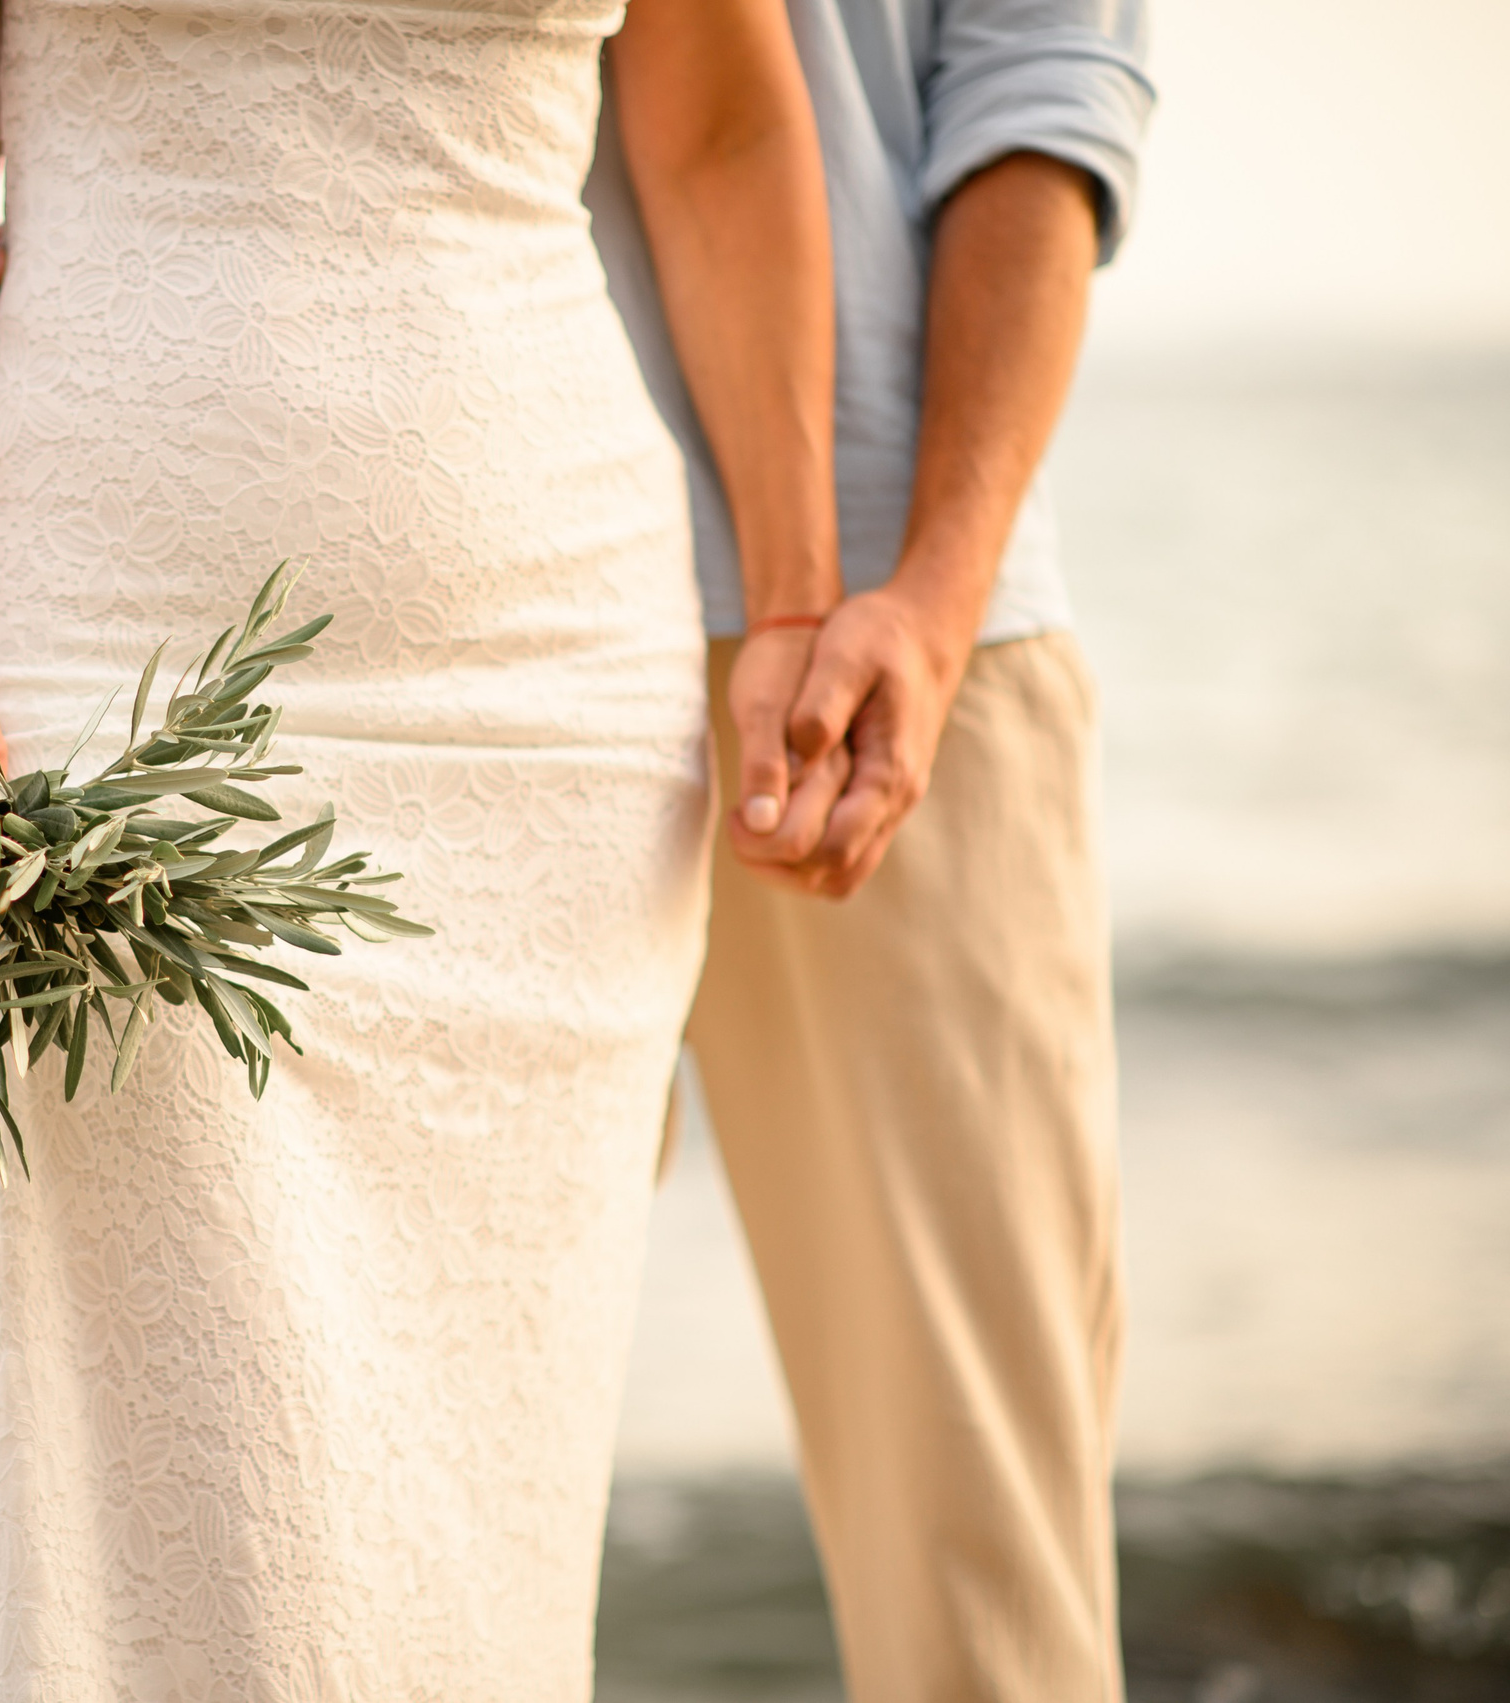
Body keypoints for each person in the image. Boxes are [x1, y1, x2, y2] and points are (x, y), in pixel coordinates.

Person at [0, 1, 842, 1696]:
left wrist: (797, 590)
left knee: (475, 1512)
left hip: (541, 700)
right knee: (167, 1480)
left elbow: (723, 131)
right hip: (108, 655)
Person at [584, 3, 1154, 1699]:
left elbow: (1051, 72)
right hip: (420, 637)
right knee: (381, 1470)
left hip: (884, 649)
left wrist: (936, 587)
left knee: (978, 1554)